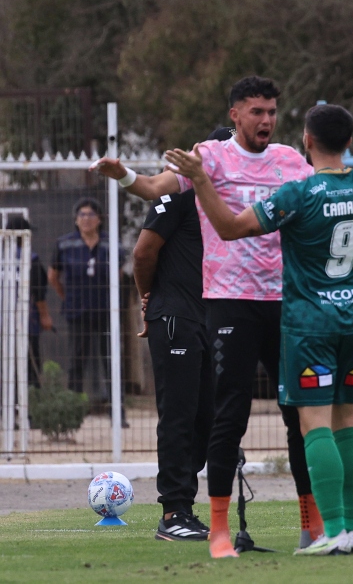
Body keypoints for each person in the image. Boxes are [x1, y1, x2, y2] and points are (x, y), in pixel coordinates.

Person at [91, 77, 353, 556]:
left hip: (287, 305)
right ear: (235, 114)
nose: (266, 120)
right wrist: (124, 175)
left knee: (300, 417)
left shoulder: (290, 162)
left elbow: (340, 200)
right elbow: (153, 187)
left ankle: (313, 525)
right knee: (227, 417)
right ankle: (217, 531)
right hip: (231, 303)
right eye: (256, 111)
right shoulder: (209, 157)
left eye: (272, 111)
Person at [133, 179, 213, 541]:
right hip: (176, 319)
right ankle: (173, 512)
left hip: (212, 319)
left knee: (207, 416)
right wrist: (148, 296)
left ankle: (185, 504)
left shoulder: (230, 198)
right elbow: (143, 252)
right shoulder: (178, 192)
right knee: (178, 415)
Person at [49, 198, 113, 405]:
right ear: (76, 220)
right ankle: (73, 406)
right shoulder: (65, 243)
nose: (86, 219)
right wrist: (66, 297)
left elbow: (118, 275)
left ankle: (116, 409)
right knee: (77, 359)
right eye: (82, 215)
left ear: (99, 219)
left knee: (111, 359)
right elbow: (53, 276)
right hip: (77, 309)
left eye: (91, 215)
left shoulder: (110, 243)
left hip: (105, 309)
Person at [4, 216, 52, 388]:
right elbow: (38, 293)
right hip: (25, 321)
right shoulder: (30, 259)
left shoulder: (3, 259)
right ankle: (28, 406)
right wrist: (45, 316)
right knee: (29, 365)